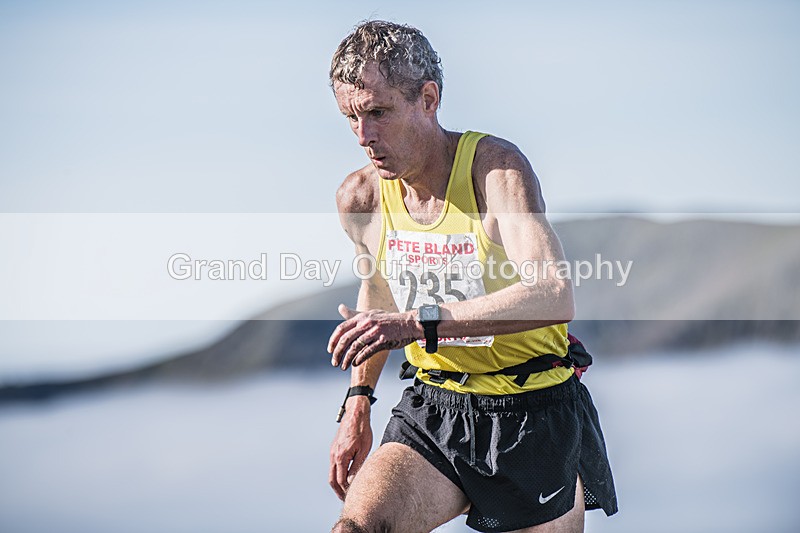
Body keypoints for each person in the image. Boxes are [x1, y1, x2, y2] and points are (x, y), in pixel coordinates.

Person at [326, 20, 617, 533]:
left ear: (429, 99)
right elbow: (377, 298)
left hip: (532, 412)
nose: (365, 136)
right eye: (351, 117)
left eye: (378, 112)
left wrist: (419, 323)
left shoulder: (497, 172)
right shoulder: (361, 198)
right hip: (437, 406)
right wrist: (357, 403)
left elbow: (553, 293)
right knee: (357, 528)